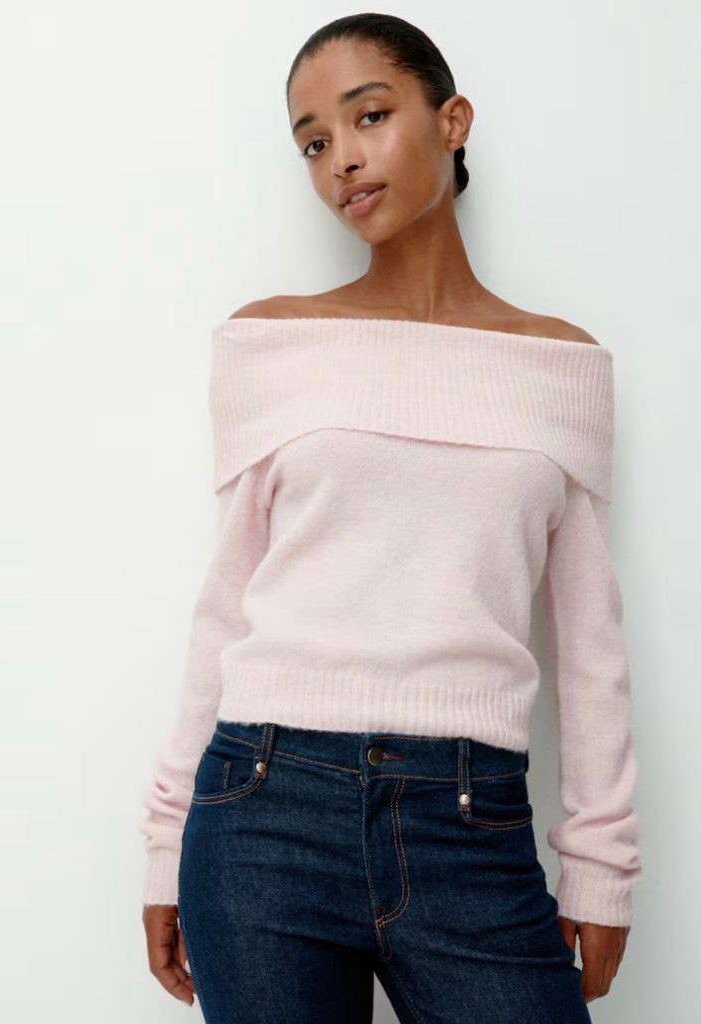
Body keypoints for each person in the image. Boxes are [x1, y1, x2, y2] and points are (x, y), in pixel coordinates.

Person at [140, 13, 643, 1022]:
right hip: (261, 812)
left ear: (451, 120)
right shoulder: (272, 344)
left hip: (470, 819)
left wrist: (601, 862)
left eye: (368, 116)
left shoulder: (558, 365)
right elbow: (226, 608)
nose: (340, 159)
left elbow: (588, 641)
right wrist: (164, 841)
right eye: (313, 142)